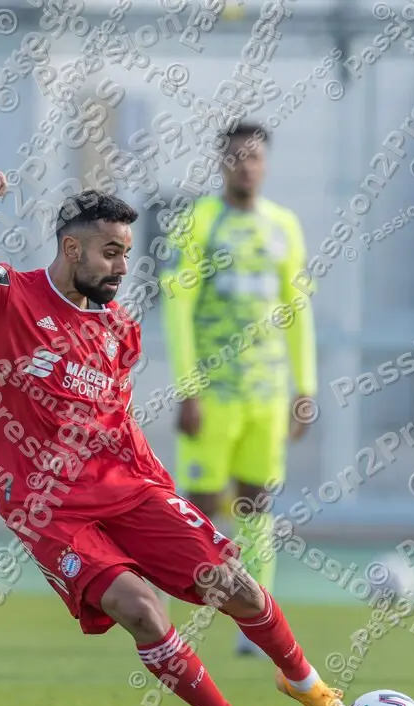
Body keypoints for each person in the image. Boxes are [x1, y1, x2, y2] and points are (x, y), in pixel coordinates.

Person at [0, 168, 343, 706]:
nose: (122, 268)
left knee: (235, 587)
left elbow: (115, 421)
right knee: (141, 609)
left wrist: (157, 489)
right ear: (71, 248)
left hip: (129, 488)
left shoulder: (119, 331)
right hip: (45, 507)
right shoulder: (6, 296)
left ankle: (311, 690)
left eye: (127, 254)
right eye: (110, 253)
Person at [160, 122, 317, 657]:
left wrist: (305, 387)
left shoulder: (283, 226)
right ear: (222, 162)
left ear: (266, 164)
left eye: (253, 157)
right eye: (235, 157)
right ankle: (183, 618)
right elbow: (177, 307)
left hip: (267, 392)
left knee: (258, 499)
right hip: (213, 390)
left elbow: (297, 311)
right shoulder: (198, 221)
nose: (245, 165)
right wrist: (188, 388)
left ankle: (257, 617)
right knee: (200, 505)